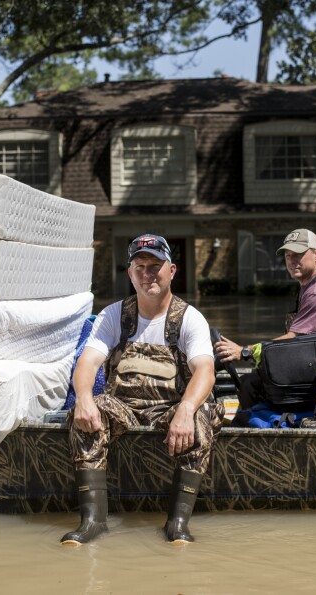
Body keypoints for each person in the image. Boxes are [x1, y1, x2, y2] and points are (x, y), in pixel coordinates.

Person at [61, 234, 223, 546]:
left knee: (200, 419)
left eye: (155, 266)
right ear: (130, 273)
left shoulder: (190, 318)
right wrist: (83, 399)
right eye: (140, 267)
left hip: (171, 406)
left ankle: (177, 524)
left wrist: (186, 410)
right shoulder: (113, 315)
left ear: (172, 270)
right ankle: (93, 521)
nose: (148, 273)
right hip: (123, 405)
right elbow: (87, 363)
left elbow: (205, 370)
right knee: (81, 415)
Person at [214, 228, 316, 410]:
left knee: (250, 385)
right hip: (312, 365)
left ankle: (249, 430)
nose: (292, 261)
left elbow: (293, 340)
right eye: (288, 255)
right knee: (255, 377)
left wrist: (245, 352)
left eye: (298, 254)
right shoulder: (310, 284)